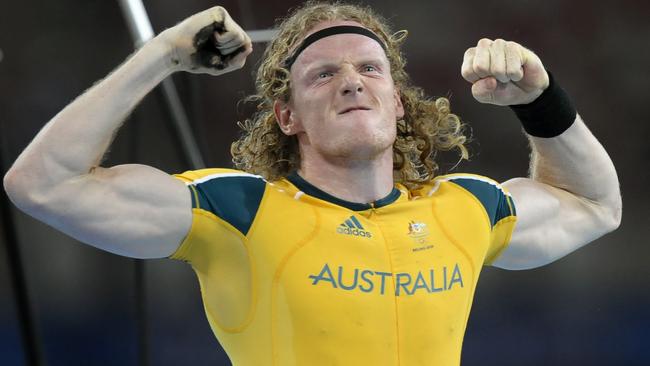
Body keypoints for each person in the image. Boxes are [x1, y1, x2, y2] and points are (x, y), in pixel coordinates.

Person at [3, 2, 621, 365]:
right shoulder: (236, 209)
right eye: (323, 74)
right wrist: (161, 56)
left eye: (370, 68)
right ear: (287, 116)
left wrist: (541, 102)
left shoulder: (464, 207)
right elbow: (41, 185)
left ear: (398, 103)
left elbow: (595, 205)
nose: (352, 82)